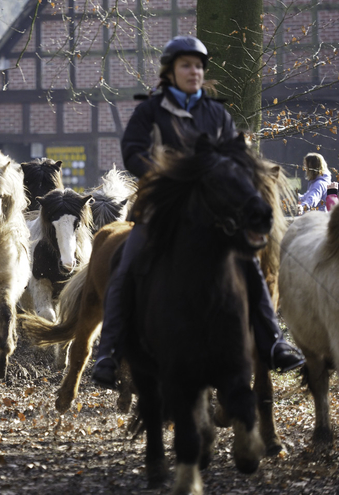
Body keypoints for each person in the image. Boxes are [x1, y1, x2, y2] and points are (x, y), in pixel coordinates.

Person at [91, 36, 305, 389]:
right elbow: (132, 152)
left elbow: (233, 156)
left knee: (249, 262)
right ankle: (109, 351)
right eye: (186, 65)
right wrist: (169, 174)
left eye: (198, 66)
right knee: (127, 265)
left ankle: (273, 342)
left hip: (212, 212)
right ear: (170, 72)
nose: (194, 71)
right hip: (162, 208)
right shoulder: (150, 110)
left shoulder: (216, 113)